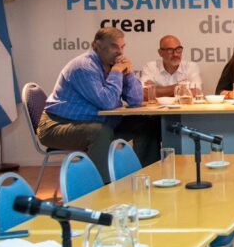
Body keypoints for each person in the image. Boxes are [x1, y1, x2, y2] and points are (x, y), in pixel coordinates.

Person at [37, 27, 158, 182]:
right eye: (114, 46)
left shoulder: (112, 65)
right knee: (100, 132)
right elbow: (107, 103)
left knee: (146, 124)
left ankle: (147, 178)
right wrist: (116, 72)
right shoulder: (84, 67)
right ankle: (102, 187)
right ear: (98, 46)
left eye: (122, 47)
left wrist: (128, 74)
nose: (120, 52)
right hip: (57, 125)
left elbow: (136, 100)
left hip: (97, 122)